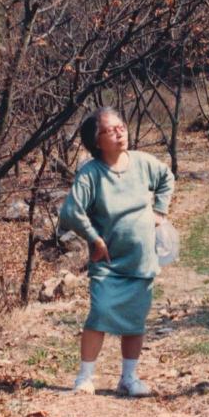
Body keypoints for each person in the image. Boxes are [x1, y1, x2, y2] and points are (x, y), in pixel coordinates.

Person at [58, 107, 174, 397]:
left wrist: (159, 209)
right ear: (97, 141)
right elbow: (71, 211)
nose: (119, 132)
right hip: (109, 263)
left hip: (142, 259)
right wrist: (95, 239)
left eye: (120, 126)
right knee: (99, 314)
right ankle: (85, 377)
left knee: (136, 320)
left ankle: (129, 377)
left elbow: (166, 178)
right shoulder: (90, 174)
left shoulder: (143, 162)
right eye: (110, 130)